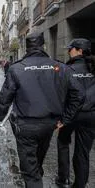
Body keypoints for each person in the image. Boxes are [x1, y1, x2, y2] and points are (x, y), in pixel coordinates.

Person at [0, 32, 85, 188]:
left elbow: (4, 99)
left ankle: (34, 177)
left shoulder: (16, 68)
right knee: (36, 159)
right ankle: (36, 171)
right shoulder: (60, 67)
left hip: (24, 126)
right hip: (48, 125)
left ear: (27, 47)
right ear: (43, 45)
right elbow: (79, 94)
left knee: (31, 172)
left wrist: (2, 117)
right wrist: (65, 119)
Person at [56, 38, 95, 188]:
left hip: (70, 115)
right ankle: (80, 184)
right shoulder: (92, 68)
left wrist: (61, 118)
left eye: (70, 49)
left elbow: (60, 95)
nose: (68, 51)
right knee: (83, 152)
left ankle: (63, 178)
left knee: (63, 143)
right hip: (90, 115)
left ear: (79, 50)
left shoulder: (67, 69)